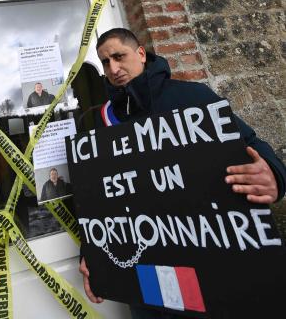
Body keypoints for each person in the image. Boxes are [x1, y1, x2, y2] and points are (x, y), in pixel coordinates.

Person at [79, 28, 286, 319]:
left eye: (118, 56)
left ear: (140, 53)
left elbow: (252, 145)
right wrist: (92, 249)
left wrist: (274, 176)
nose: (113, 68)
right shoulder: (101, 125)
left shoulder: (192, 98)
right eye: (105, 62)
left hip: (212, 271)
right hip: (147, 285)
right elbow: (98, 200)